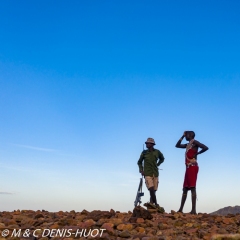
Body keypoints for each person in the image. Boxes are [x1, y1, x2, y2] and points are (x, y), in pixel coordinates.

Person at [175, 131, 208, 214]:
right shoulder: (187, 145)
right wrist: (182, 136)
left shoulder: (195, 143)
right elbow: (177, 145)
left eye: (187, 134)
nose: (186, 135)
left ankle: (193, 210)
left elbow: (205, 147)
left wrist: (197, 153)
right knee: (185, 188)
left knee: (192, 187)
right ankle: (180, 209)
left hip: (193, 167)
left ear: (190, 135)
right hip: (188, 168)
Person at [137, 137, 165, 210]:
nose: (147, 144)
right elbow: (139, 162)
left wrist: (158, 164)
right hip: (147, 173)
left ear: (152, 144)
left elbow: (162, 158)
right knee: (151, 189)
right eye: (146, 143)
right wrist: (141, 170)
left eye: (148, 143)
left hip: (155, 173)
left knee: (154, 190)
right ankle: (156, 204)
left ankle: (151, 205)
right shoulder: (144, 153)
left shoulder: (157, 152)